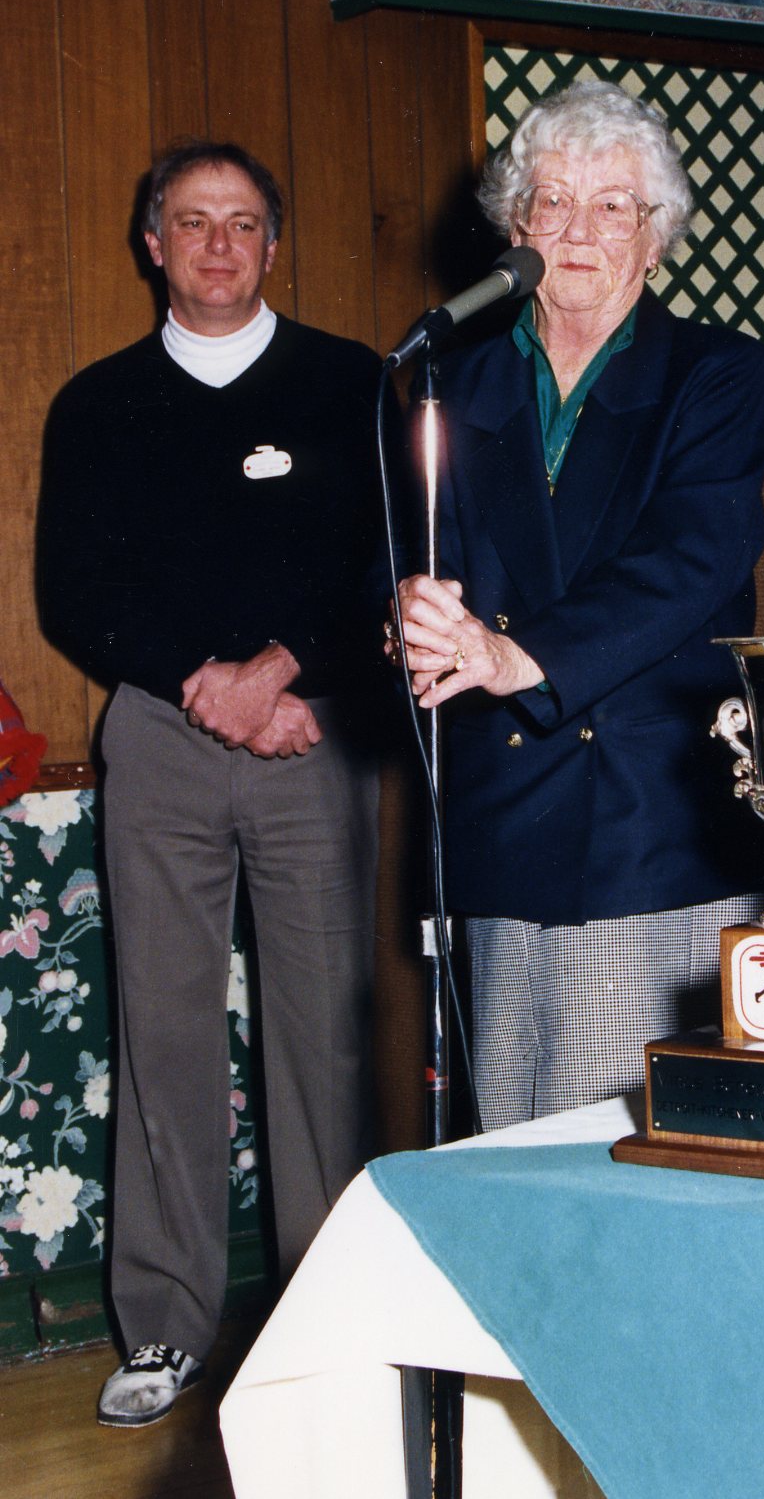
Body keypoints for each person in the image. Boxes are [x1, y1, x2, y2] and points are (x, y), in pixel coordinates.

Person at [37, 141, 387, 1427]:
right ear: (154, 244)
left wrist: (284, 670)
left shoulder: (351, 382)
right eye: (194, 222)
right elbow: (73, 590)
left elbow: (385, 563)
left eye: (242, 223)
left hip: (315, 730)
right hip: (162, 733)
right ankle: (165, 1325)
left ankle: (334, 1325)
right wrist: (203, 682)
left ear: (274, 244)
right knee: (166, 1030)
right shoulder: (98, 402)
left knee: (325, 1037)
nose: (220, 245)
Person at [391, 80, 764, 1132]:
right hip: (500, 819)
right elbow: (419, 557)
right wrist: (408, 613)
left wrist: (519, 656)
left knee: (619, 1147)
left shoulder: (717, 374)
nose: (577, 231)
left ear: (657, 237)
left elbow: (694, 558)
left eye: (613, 206)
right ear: (515, 226)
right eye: (552, 201)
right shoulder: (452, 382)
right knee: (507, 1143)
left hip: (648, 827)